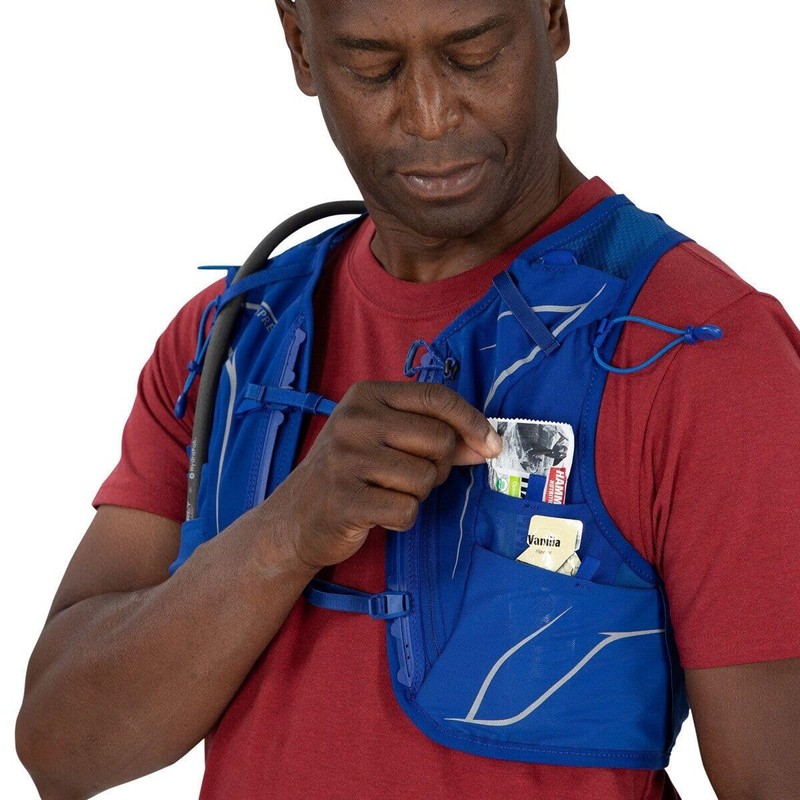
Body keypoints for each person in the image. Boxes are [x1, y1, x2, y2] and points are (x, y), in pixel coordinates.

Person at [16, 1, 800, 798]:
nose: (429, 115)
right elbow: (60, 750)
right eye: (374, 66)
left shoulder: (699, 352)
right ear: (301, 45)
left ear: (552, 16)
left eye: (474, 54)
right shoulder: (227, 342)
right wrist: (286, 532)